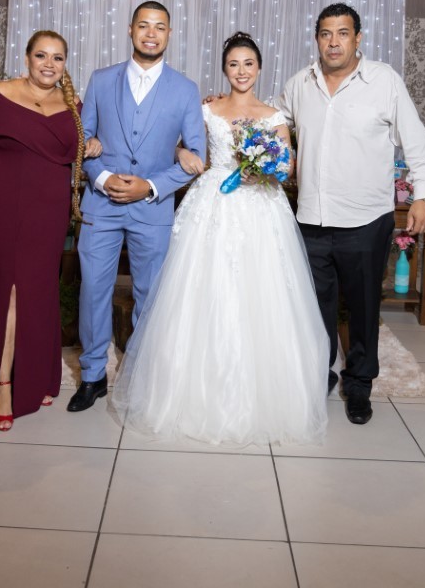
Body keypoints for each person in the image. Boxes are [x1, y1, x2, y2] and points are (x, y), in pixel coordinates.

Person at [112, 31, 330, 447]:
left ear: (259, 68)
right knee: (202, 290)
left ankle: (265, 395)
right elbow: (180, 147)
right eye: (233, 64)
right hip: (213, 202)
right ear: (224, 70)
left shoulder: (274, 116)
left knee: (263, 294)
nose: (241, 71)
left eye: (248, 64)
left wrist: (266, 167)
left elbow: (287, 167)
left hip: (261, 207)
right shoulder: (207, 108)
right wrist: (182, 154)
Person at [278, 3, 425, 425]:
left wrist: (423, 196)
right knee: (315, 309)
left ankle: (360, 383)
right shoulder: (299, 83)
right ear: (317, 39)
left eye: (343, 33)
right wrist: (229, 106)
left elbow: (417, 142)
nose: (334, 42)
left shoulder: (384, 81)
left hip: (365, 220)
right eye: (326, 34)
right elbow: (271, 122)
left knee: (364, 308)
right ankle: (321, 374)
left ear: (358, 38)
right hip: (311, 218)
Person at [67, 1, 206, 413]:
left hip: (153, 209)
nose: (151, 33)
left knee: (151, 295)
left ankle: (142, 377)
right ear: (130, 30)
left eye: (159, 27)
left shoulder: (186, 89)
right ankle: (93, 375)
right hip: (101, 204)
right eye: (143, 25)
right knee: (94, 289)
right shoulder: (101, 79)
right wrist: (103, 179)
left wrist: (151, 186)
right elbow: (83, 141)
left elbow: (196, 156)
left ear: (169, 34)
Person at [0, 30, 101, 431]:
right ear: (26, 58)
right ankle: (4, 385)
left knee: (40, 290)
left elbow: (85, 143)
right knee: (12, 291)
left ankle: (38, 376)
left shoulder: (73, 105)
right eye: (41, 55)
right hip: (11, 205)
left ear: (65, 63)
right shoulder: (1, 94)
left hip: (51, 211)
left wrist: (94, 144)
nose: (48, 64)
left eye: (57, 58)